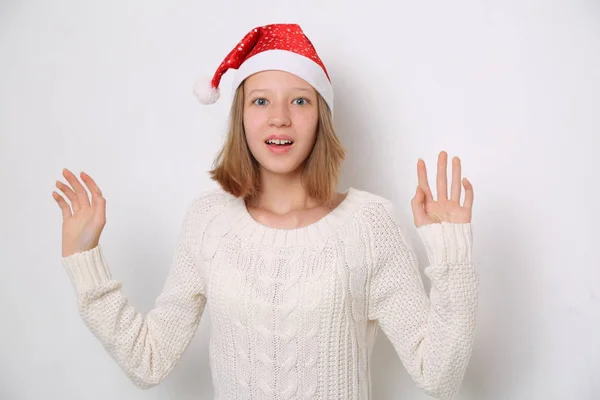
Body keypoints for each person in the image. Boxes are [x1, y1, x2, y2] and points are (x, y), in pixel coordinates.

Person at [53, 23, 478, 400]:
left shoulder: (368, 225)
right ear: (240, 117)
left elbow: (437, 376)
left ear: (320, 118)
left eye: (299, 101)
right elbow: (148, 361)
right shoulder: (209, 222)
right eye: (260, 102)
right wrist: (84, 259)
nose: (279, 119)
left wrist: (452, 255)